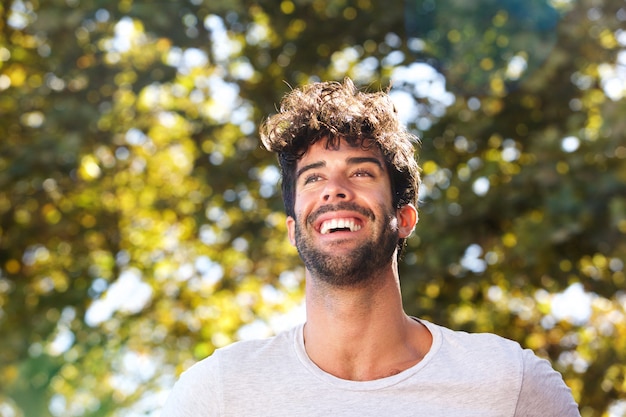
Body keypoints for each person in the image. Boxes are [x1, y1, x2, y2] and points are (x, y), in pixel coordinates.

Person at [161, 78, 580, 416]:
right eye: (313, 178)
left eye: (361, 173)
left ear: (405, 219)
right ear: (293, 230)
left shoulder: (509, 384)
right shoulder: (218, 393)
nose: (335, 191)